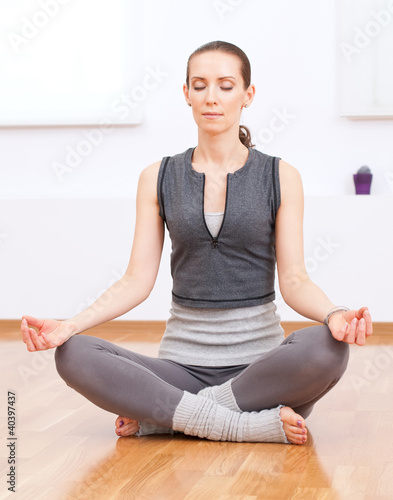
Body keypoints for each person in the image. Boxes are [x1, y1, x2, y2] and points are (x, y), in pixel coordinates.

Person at [21, 41, 373, 445]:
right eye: (200, 85)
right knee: (73, 354)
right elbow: (136, 280)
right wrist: (70, 324)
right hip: (181, 368)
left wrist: (335, 314)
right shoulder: (157, 176)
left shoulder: (281, 176)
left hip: (261, 372)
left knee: (327, 348)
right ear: (186, 93)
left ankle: (168, 417)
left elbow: (294, 279)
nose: (211, 98)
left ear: (248, 95)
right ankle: (240, 425)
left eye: (225, 85)